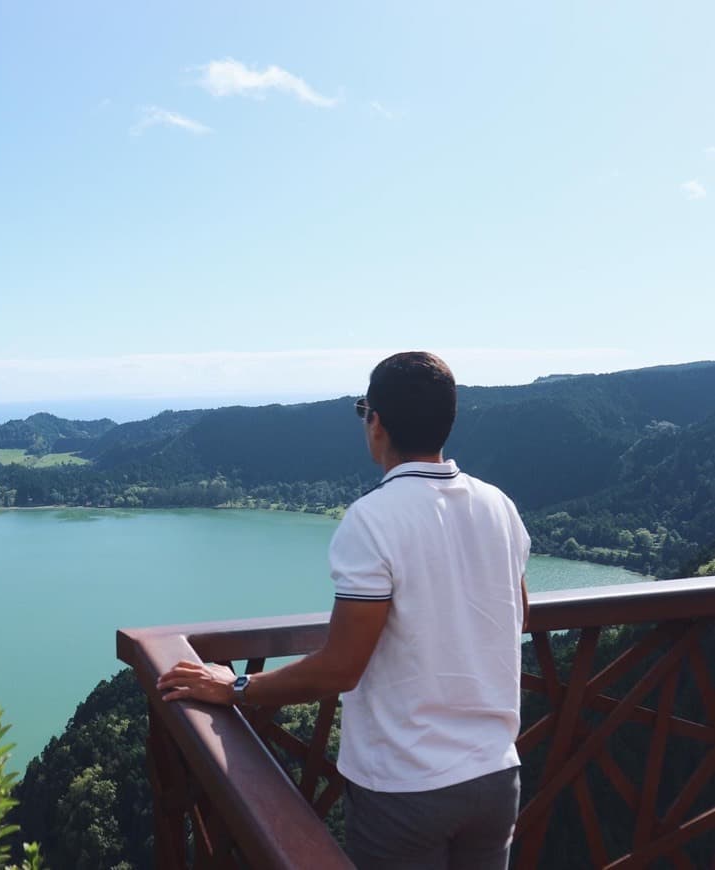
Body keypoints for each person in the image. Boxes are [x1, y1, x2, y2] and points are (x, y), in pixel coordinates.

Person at [156, 351, 530, 869]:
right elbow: (518, 615)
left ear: (375, 423)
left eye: (364, 411)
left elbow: (341, 667)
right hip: (495, 775)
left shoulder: (372, 520)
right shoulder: (499, 506)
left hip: (406, 786)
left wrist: (236, 688)